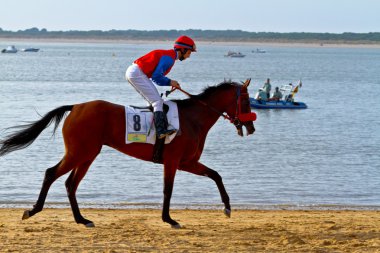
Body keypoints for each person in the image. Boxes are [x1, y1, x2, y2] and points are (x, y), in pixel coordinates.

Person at [125, 35, 196, 139]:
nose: (189, 56)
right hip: (137, 73)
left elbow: (155, 78)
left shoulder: (170, 56)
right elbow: (156, 77)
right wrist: (170, 82)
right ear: (183, 49)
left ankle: (151, 127)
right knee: (157, 101)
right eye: (189, 52)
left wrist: (170, 82)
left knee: (154, 101)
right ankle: (160, 130)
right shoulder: (169, 58)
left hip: (135, 72)